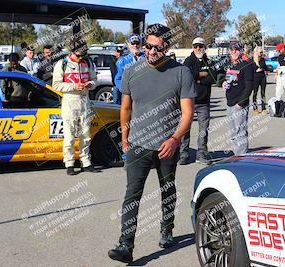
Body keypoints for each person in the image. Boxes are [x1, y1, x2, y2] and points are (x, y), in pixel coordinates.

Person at [108, 23, 196, 263]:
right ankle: (126, 245)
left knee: (167, 189)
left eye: (157, 47)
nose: (152, 51)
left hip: (167, 146)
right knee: (131, 195)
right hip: (137, 144)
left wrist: (175, 139)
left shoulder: (181, 73)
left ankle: (167, 230)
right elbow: (125, 108)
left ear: (167, 47)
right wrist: (125, 140)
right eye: (148, 46)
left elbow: (188, 113)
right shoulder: (131, 72)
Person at [52, 38, 100, 175]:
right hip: (69, 100)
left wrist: (90, 84)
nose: (80, 58)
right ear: (71, 52)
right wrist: (73, 86)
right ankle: (69, 164)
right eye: (77, 55)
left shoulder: (88, 62)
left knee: (86, 134)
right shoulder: (62, 64)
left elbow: (95, 80)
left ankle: (86, 162)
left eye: (82, 55)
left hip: (85, 100)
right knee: (69, 135)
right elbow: (56, 85)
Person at [179, 37, 214, 165]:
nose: (198, 48)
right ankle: (184, 154)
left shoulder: (209, 60)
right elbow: (187, 75)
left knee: (203, 130)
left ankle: (201, 154)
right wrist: (203, 74)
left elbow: (213, 76)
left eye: (201, 46)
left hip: (204, 101)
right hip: (189, 100)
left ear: (205, 47)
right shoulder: (189, 60)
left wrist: (199, 78)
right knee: (185, 128)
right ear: (192, 47)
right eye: (196, 46)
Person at [222, 41, 254, 155]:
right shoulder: (229, 64)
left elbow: (249, 85)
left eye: (236, 49)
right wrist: (223, 83)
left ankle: (241, 156)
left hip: (239, 103)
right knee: (232, 131)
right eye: (231, 49)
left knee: (240, 131)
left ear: (241, 51)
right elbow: (223, 78)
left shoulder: (247, 64)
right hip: (229, 102)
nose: (233, 51)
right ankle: (236, 153)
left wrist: (241, 103)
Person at [114, 34, 145, 105]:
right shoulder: (122, 61)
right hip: (128, 96)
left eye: (137, 43)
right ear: (128, 44)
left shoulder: (147, 58)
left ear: (140, 44)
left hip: (144, 95)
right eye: (133, 43)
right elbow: (118, 79)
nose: (135, 45)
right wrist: (125, 90)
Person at [252, 46, 268, 114]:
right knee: (255, 93)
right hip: (255, 78)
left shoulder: (263, 59)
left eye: (262, 52)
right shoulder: (252, 60)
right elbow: (251, 69)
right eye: (260, 52)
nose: (261, 53)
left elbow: (265, 67)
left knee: (263, 93)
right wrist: (256, 70)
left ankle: (263, 108)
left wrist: (263, 69)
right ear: (256, 52)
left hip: (262, 77)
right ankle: (255, 108)